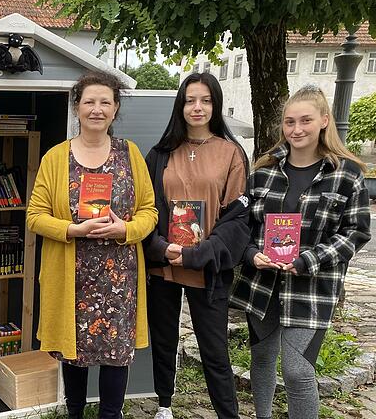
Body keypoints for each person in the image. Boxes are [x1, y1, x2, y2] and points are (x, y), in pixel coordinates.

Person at [230, 85, 371, 419]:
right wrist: (251, 254)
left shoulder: (346, 175)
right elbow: (243, 226)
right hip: (262, 286)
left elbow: (357, 232)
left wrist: (310, 259)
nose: (296, 129)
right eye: (289, 122)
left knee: (297, 371)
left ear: (324, 120)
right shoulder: (262, 172)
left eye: (305, 120)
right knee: (261, 360)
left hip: (312, 290)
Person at [26, 71, 158, 419]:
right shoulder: (55, 158)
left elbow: (149, 211)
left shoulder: (130, 154)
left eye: (105, 102)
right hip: (72, 277)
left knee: (116, 354)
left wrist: (125, 229)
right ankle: (74, 413)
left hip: (119, 279)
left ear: (115, 109)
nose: (96, 109)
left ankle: (110, 415)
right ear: (77, 108)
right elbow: (34, 216)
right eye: (89, 102)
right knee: (75, 352)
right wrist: (74, 229)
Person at [143, 72, 250, 419]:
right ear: (181, 105)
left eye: (205, 100)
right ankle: (163, 405)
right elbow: (146, 208)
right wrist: (160, 248)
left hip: (208, 265)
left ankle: (227, 414)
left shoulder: (231, 153)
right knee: (163, 339)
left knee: (215, 350)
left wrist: (199, 253)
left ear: (215, 105)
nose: (197, 107)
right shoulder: (159, 154)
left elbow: (236, 216)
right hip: (165, 262)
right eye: (190, 100)